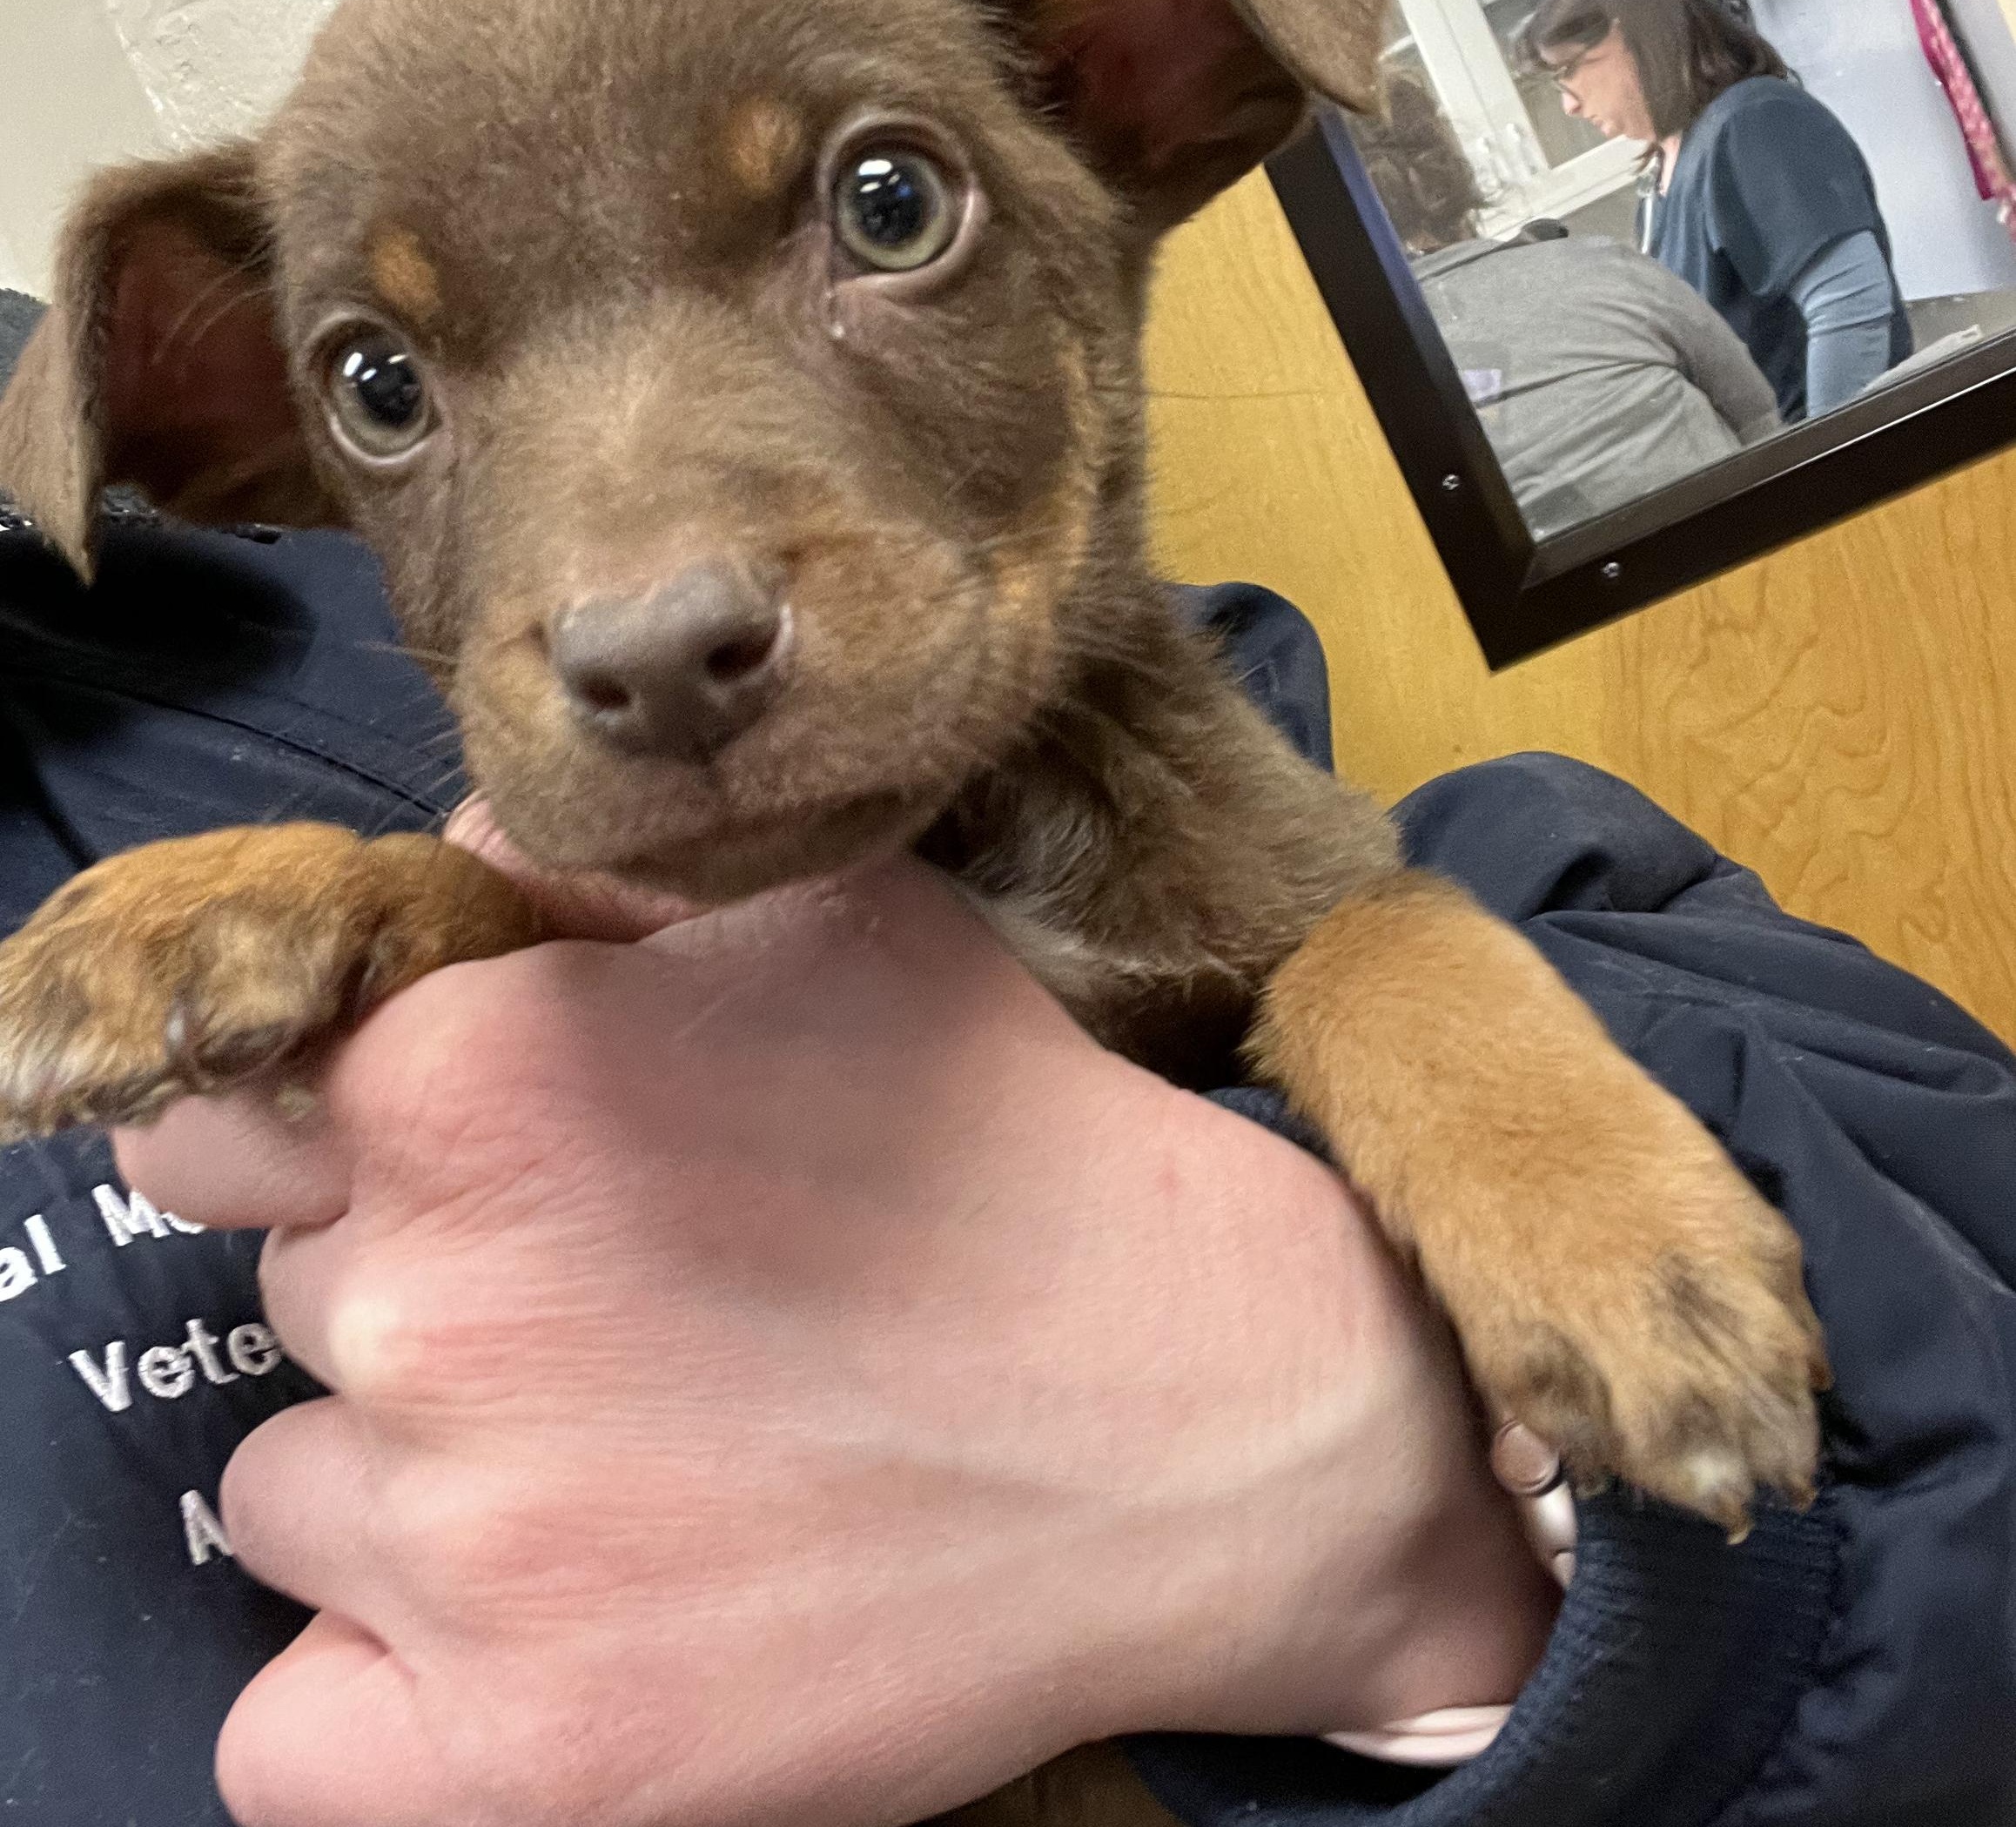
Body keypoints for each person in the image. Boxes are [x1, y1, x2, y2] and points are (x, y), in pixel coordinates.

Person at [2, 301, 2014, 1827]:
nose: (652, 572)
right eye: (394, 397)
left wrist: (1388, 1475)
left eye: (881, 216)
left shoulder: (241, 582)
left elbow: (1374, 912)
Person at [1351, 77, 1780, 537]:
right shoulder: (1602, 265)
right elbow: (1758, 417)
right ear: (1453, 167)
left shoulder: (1364, 375)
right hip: (1743, 546)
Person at [1522, 0, 1913, 421]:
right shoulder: (1661, 185)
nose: (1569, 105)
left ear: (1631, 39)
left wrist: (1825, 459)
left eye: (1568, 71)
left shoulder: (1751, 124)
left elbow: (1849, 304)